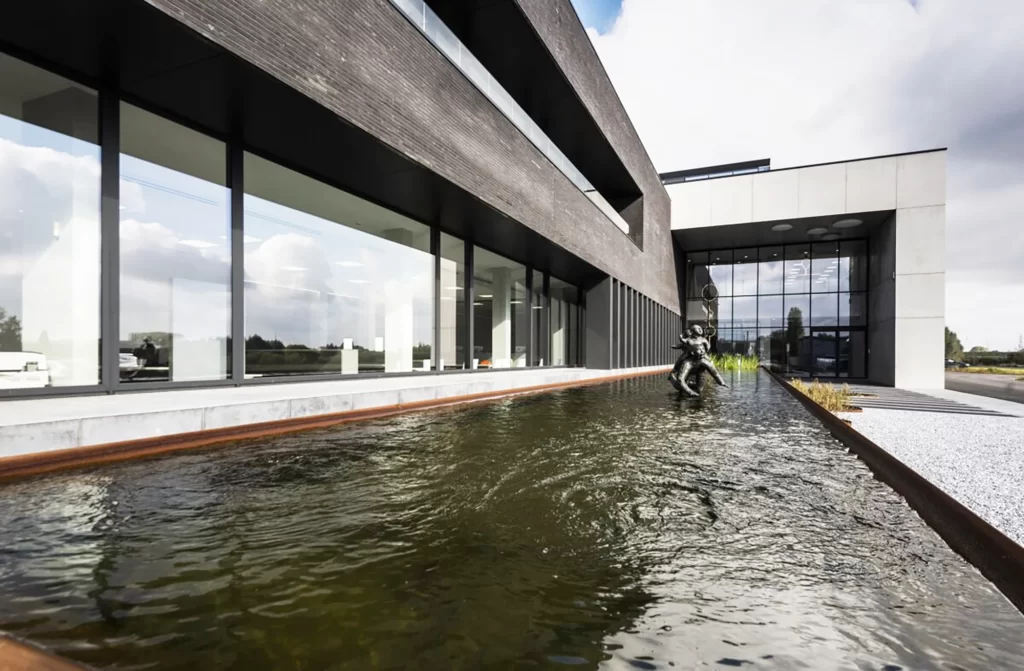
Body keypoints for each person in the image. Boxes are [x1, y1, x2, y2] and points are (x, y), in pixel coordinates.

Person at [668, 325, 727, 396]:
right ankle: (673, 374)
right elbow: (680, 344)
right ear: (692, 332)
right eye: (698, 328)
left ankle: (690, 385)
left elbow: (715, 373)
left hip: (700, 359)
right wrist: (679, 341)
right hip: (689, 355)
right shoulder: (689, 340)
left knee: (699, 388)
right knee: (681, 359)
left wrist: (722, 382)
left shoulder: (702, 340)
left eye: (700, 328)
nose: (700, 329)